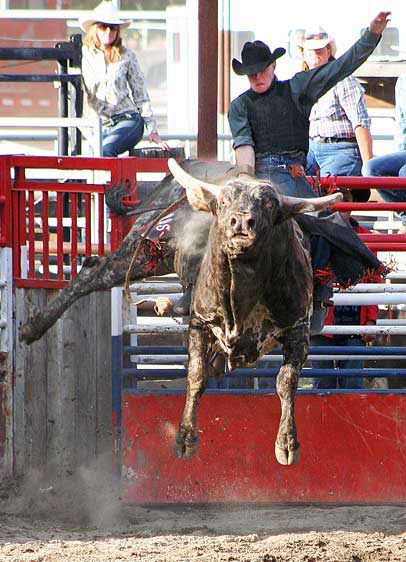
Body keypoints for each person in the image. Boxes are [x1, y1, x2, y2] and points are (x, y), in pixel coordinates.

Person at [226, 12, 389, 330]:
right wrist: (246, 181)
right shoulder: (240, 106)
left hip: (289, 173)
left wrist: (371, 35)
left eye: (261, 70)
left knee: (327, 220)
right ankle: (199, 292)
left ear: (273, 67)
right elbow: (244, 148)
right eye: (251, 74)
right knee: (324, 221)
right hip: (259, 176)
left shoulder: (297, 88)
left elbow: (341, 67)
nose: (257, 77)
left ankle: (318, 292)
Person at [79, 1, 169, 157]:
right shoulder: (82, 56)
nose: (108, 31)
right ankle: (115, 181)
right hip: (96, 124)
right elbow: (73, 93)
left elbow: (140, 93)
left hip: (127, 119)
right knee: (94, 153)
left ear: (118, 31)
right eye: (103, 27)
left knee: (106, 150)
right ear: (95, 29)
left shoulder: (127, 56)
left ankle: (111, 182)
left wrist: (152, 129)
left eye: (113, 28)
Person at [310, 189, 379, 390]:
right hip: (321, 321)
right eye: (335, 201)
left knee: (353, 381)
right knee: (322, 382)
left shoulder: (367, 238)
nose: (339, 207)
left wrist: (371, 319)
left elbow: (374, 281)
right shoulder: (315, 235)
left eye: (345, 200)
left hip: (355, 323)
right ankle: (324, 422)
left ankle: (346, 421)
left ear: (353, 203)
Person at [298, 25, 373, 186]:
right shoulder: (300, 85)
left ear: (328, 52)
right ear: (303, 54)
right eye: (311, 49)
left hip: (341, 149)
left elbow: (360, 123)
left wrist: (369, 166)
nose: (315, 53)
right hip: (310, 149)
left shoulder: (343, 81)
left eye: (320, 49)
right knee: (292, 182)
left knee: (329, 187)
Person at [362, 74, 406, 234]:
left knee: (403, 172)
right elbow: (402, 123)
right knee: (371, 169)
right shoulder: (403, 80)